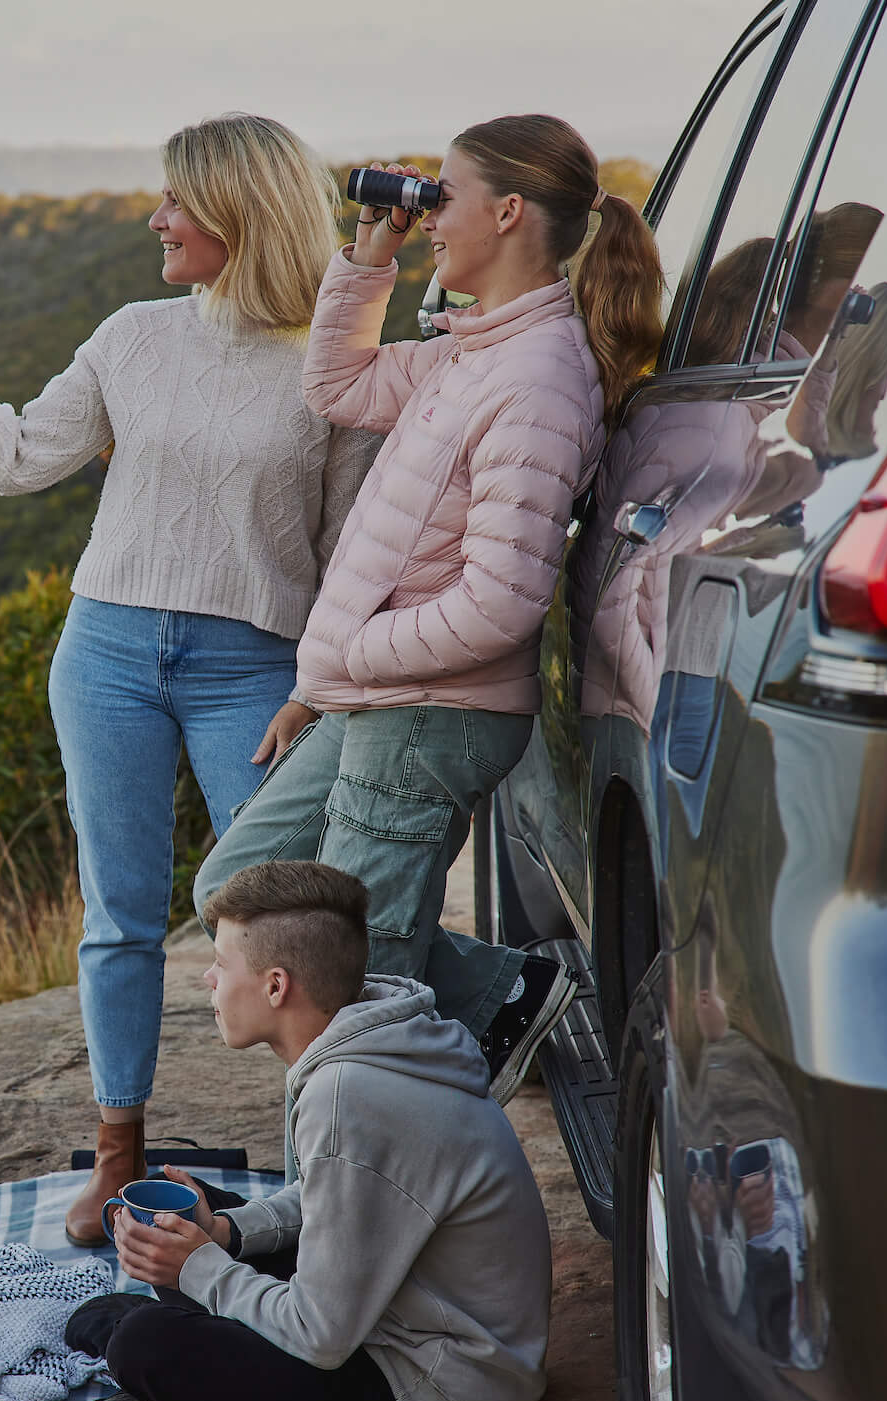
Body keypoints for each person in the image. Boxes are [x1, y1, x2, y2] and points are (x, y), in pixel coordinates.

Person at [0, 114, 379, 1246]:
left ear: (241, 212)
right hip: (110, 649)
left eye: (176, 201)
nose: (156, 219)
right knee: (119, 913)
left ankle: (319, 1168)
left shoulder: (334, 367)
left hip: (257, 667)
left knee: (284, 921)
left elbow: (353, 549)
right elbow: (22, 456)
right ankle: (120, 1156)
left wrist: (317, 684)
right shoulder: (133, 335)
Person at [194, 114, 668, 1091]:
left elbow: (500, 603)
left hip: (429, 712)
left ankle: (367, 1203)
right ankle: (502, 995)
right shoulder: (473, 350)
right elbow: (336, 385)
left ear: (506, 211)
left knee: (356, 983)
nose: (427, 216)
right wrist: (371, 261)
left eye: (439, 197)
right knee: (238, 892)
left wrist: (345, 658)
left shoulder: (535, 378)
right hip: (383, 696)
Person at [69, 860, 551, 1401]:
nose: (209, 981)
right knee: (191, 1214)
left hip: (441, 1397)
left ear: (276, 986)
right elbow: (338, 1194)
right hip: (404, 1313)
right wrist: (226, 1234)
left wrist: (200, 1269)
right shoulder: (377, 1038)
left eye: (221, 964)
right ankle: (222, 1359)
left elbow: (320, 1335)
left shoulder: (351, 1095)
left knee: (143, 1345)